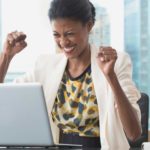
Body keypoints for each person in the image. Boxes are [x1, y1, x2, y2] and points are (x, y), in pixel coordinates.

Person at [0, 0, 142, 149]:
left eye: (70, 34)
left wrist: (110, 76)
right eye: (57, 35)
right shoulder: (45, 65)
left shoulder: (116, 63)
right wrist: (6, 56)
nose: (63, 42)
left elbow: (134, 133)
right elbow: (6, 100)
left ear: (89, 26)